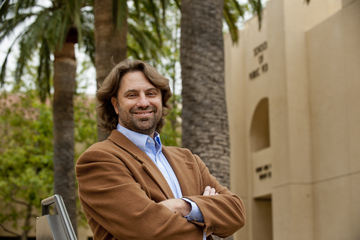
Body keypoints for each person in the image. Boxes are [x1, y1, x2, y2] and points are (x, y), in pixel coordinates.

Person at [76, 59, 245, 240]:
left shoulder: (188, 160)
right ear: (116, 105)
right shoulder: (99, 159)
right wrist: (205, 213)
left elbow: (235, 211)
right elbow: (146, 229)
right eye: (132, 95)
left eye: (151, 93)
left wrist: (182, 206)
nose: (143, 102)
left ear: (161, 101)